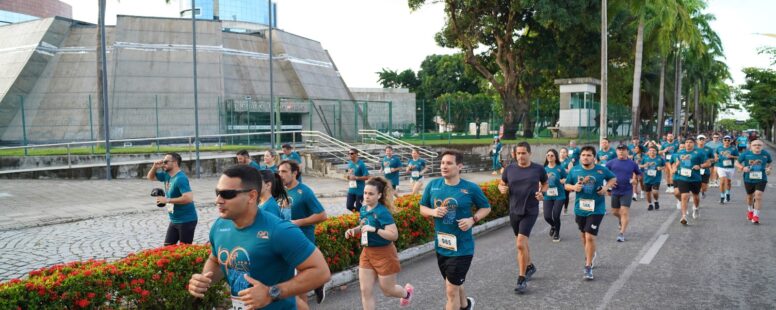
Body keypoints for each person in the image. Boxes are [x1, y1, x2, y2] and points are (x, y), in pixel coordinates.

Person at [187, 165, 331, 309]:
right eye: (217, 193)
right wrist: (204, 279)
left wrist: (270, 293)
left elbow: (321, 272)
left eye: (228, 194)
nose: (218, 200)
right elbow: (216, 260)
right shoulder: (219, 226)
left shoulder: (279, 230)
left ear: (251, 196)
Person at [420, 150, 491, 309]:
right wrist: (433, 212)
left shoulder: (470, 188)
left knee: (451, 291)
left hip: (462, 248)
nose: (444, 166)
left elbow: (486, 208)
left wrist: (472, 220)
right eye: (442, 163)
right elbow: (422, 208)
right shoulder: (433, 185)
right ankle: (466, 305)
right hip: (442, 246)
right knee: (454, 283)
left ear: (459, 166)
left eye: (449, 163)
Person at [345, 177, 414, 309]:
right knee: (365, 291)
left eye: (371, 194)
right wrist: (353, 230)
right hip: (367, 253)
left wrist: (375, 230)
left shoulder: (383, 212)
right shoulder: (363, 209)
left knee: (388, 290)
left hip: (384, 254)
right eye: (365, 193)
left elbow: (394, 235)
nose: (367, 196)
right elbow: (363, 225)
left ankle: (407, 293)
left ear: (379, 195)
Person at [498, 142, 547, 293]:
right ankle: (530, 266)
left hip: (530, 209)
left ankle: (521, 278)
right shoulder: (509, 169)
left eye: (523, 153)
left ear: (530, 153)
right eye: (518, 153)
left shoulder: (538, 169)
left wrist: (542, 193)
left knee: (520, 243)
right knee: (522, 243)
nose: (520, 156)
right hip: (514, 210)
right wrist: (501, 188)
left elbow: (545, 183)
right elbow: (502, 183)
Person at [278, 160, 328, 307]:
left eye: (284, 171)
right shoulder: (279, 192)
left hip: (303, 242)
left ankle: (317, 282)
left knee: (300, 291)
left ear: (294, 173)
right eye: (279, 172)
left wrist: (298, 222)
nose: (280, 175)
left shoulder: (304, 191)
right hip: (285, 243)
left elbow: (322, 215)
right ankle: (317, 282)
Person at [565, 146, 616, 280]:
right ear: (580, 157)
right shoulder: (575, 170)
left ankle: (588, 266)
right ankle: (590, 253)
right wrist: (574, 187)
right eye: (583, 155)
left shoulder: (601, 170)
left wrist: (605, 188)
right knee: (583, 236)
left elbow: (613, 178)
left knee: (590, 237)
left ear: (594, 157)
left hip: (597, 208)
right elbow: (566, 185)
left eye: (588, 155)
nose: (585, 157)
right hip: (580, 208)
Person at [146, 152, 198, 246]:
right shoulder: (167, 175)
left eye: (166, 162)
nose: (163, 164)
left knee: (184, 250)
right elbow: (150, 177)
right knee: (167, 247)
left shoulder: (180, 178)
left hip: (186, 220)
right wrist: (154, 167)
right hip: (174, 220)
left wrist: (167, 200)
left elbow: (188, 198)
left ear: (175, 163)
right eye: (163, 161)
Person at [606, 145, 642, 242]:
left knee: (624, 212)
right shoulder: (611, 163)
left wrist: (636, 179)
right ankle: (620, 219)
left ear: (627, 151)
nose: (621, 152)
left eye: (623, 150)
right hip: (615, 190)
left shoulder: (632, 163)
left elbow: (639, 173)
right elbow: (603, 174)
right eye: (619, 150)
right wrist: (609, 183)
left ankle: (621, 234)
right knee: (614, 212)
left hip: (627, 190)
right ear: (616, 151)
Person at [672, 138, 711, 225]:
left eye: (690, 142)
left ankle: (696, 208)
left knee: (696, 196)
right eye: (686, 142)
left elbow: (708, 163)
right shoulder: (680, 153)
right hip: (683, 178)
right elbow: (676, 162)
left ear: (694, 144)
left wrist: (700, 166)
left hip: (695, 178)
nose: (688, 144)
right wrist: (674, 168)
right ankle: (684, 216)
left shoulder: (699, 153)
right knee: (684, 196)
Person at [736, 140, 772, 224]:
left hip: (761, 178)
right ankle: (750, 211)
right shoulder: (745, 154)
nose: (757, 146)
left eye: (759, 145)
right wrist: (742, 168)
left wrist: (769, 169)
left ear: (762, 146)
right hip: (748, 179)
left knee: (758, 196)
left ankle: (756, 216)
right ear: (751, 146)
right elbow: (737, 163)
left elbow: (769, 163)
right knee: (750, 197)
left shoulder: (766, 154)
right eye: (754, 145)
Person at [541, 149, 565, 243]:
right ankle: (553, 226)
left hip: (559, 195)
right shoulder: (543, 169)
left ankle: (557, 233)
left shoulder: (560, 168)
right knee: (547, 216)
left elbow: (567, 177)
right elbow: (540, 181)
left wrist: (563, 180)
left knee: (556, 215)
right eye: (548, 155)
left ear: (555, 157)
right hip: (548, 195)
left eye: (552, 155)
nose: (549, 157)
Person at [640, 146, 666, 211]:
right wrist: (644, 165)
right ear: (648, 152)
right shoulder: (645, 158)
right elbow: (640, 165)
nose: (652, 152)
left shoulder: (660, 158)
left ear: (656, 152)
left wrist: (660, 168)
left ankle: (656, 201)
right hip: (647, 178)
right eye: (650, 150)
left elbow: (664, 166)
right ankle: (650, 204)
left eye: (654, 150)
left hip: (656, 178)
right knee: (648, 193)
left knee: (655, 192)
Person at [715, 136, 739, 204]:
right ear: (723, 140)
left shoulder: (734, 148)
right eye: (725, 140)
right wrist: (716, 158)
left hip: (730, 167)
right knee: (722, 181)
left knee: (728, 182)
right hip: (721, 167)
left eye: (728, 140)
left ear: (730, 141)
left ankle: (727, 193)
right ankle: (722, 197)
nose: (727, 141)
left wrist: (732, 156)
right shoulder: (719, 148)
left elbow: (738, 157)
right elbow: (716, 154)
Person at [346, 149, 370, 213]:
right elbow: (349, 174)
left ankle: (360, 216)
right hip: (351, 189)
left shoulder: (361, 164)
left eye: (352, 153)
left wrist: (356, 178)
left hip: (360, 190)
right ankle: (359, 215)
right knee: (349, 206)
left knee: (359, 207)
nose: (350, 155)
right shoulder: (350, 163)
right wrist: (348, 176)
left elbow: (367, 177)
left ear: (356, 154)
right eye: (349, 153)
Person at [560, 148, 575, 215]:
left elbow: (571, 172)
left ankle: (565, 208)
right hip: (557, 181)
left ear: (567, 153)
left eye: (564, 152)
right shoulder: (556, 161)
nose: (562, 154)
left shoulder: (569, 162)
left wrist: (563, 169)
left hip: (566, 181)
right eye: (561, 152)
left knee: (565, 195)